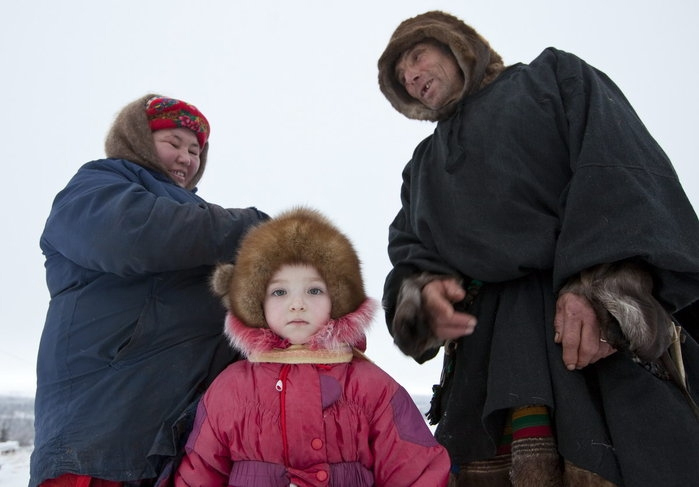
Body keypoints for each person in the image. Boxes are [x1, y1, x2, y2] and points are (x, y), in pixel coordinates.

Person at [376, 10, 699, 487]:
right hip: (482, 359)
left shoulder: (552, 78)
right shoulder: (420, 168)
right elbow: (410, 254)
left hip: (584, 330)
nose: (413, 75)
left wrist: (599, 291)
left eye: (418, 56)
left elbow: (617, 167)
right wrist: (422, 300)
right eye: (403, 77)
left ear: (456, 46)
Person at [30, 94, 269, 487]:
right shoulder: (95, 187)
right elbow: (131, 234)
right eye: (173, 143)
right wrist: (253, 229)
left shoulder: (198, 227)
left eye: (195, 150)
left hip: (174, 444)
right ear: (137, 139)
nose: (186, 158)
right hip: (101, 436)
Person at [172, 207, 451, 487]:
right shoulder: (230, 388)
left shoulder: (373, 388)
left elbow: (417, 471)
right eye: (279, 292)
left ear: (338, 301)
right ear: (257, 304)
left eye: (314, 290)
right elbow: (199, 471)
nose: (297, 303)